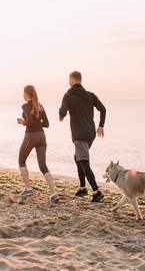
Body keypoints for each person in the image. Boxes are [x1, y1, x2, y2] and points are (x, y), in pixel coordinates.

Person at [59, 71, 106, 202]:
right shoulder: (90, 95)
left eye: (69, 80)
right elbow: (103, 109)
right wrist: (101, 125)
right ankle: (82, 188)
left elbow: (63, 111)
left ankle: (96, 191)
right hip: (91, 134)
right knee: (77, 158)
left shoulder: (68, 95)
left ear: (72, 81)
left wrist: (61, 116)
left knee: (84, 162)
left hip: (79, 135)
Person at [17, 85, 59, 203]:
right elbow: (46, 124)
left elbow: (29, 121)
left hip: (31, 136)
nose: (23, 96)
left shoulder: (25, 106)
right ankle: (53, 193)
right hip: (42, 136)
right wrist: (37, 122)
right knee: (43, 166)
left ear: (26, 94)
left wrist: (23, 122)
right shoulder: (40, 106)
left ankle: (28, 188)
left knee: (21, 160)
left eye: (23, 94)